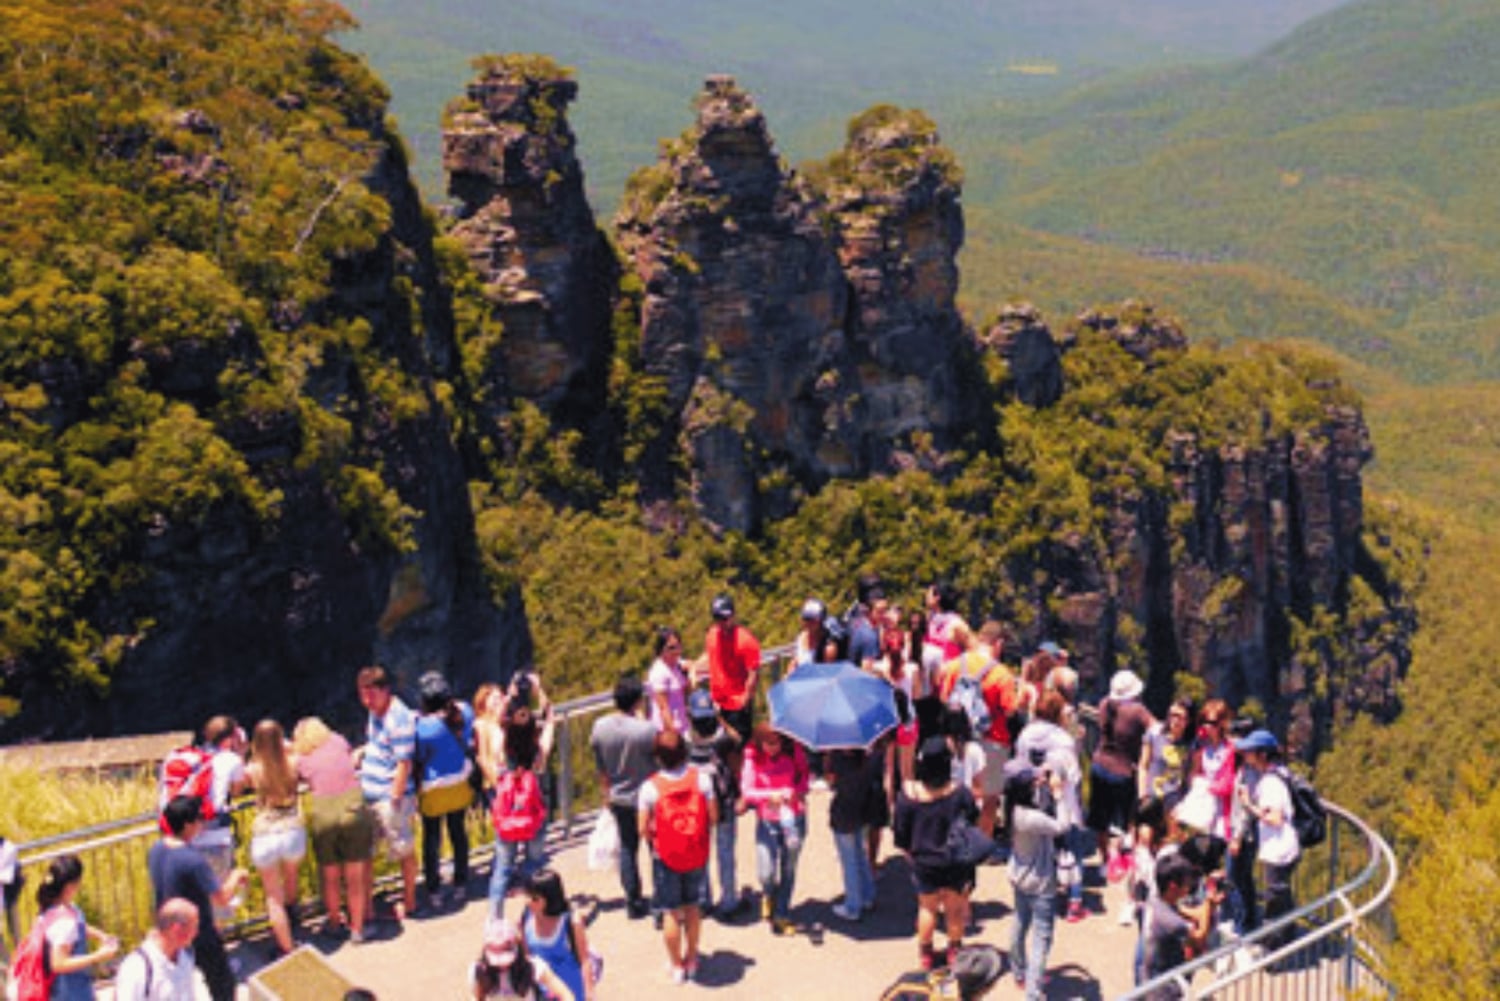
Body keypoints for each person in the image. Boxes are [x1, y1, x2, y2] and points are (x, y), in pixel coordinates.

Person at [148, 796, 248, 1001]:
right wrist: (236, 876)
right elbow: (221, 898)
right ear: (187, 825)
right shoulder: (192, 860)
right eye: (199, 818)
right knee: (222, 983)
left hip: (168, 931)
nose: (202, 823)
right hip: (197, 932)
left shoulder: (156, 850)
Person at [893, 736, 979, 971]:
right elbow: (972, 821)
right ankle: (954, 951)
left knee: (927, 908)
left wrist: (910, 854)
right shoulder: (960, 793)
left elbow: (901, 834)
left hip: (924, 861)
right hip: (955, 860)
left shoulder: (909, 795)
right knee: (954, 909)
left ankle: (926, 954)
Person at [638, 729, 717, 984]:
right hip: (696, 852)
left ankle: (676, 965)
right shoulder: (701, 780)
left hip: (666, 856)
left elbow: (642, 829)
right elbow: (713, 817)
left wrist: (657, 837)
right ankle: (692, 959)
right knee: (693, 907)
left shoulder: (650, 788)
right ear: (685, 752)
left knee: (670, 912)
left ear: (657, 757)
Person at [292, 716, 373, 943]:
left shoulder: (301, 757)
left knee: (330, 877)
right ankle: (358, 929)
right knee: (355, 877)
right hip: (352, 806)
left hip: (324, 812)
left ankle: (335, 922)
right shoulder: (338, 741)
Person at [936, 621, 1016, 840]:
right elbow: (1010, 710)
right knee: (989, 799)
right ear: (998, 644)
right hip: (993, 740)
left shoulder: (955, 665)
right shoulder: (1001, 674)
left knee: (952, 791)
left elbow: (944, 698)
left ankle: (951, 839)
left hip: (958, 740)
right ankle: (981, 844)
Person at [589, 674, 658, 919]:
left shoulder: (600, 727)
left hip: (618, 797)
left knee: (628, 849)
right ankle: (661, 900)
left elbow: (601, 766)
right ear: (638, 701)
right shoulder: (646, 730)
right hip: (646, 798)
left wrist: (606, 792)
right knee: (656, 848)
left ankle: (633, 901)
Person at [1015, 691, 1087, 923]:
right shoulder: (1063, 739)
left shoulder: (1026, 734)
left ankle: (1041, 897)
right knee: (1072, 849)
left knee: (1041, 851)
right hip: (1062, 800)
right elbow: (1073, 775)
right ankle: (1074, 901)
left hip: (1034, 800)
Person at [355, 665, 419, 920]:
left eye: (372, 694)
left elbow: (404, 762)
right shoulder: (375, 713)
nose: (367, 701)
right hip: (370, 794)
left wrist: (395, 799)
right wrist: (362, 752)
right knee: (366, 852)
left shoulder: (399, 718)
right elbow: (379, 744)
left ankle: (410, 901)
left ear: (386, 690)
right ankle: (368, 908)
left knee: (403, 849)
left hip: (389, 797)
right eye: (363, 695)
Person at [1005, 763, 1074, 1000]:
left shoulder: (1012, 808)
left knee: (1019, 923)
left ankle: (1019, 972)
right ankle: (1033, 993)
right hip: (1040, 883)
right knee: (1041, 938)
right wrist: (1059, 795)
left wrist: (1042, 777)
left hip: (1019, 877)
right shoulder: (1031, 818)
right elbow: (1062, 826)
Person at [490, 679, 555, 910]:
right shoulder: (539, 754)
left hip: (508, 816)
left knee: (502, 867)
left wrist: (509, 696)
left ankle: (495, 917)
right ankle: (532, 913)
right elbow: (550, 718)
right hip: (533, 815)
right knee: (534, 863)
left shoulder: (502, 750)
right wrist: (539, 689)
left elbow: (496, 722)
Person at [740, 724, 809, 935]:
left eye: (776, 743)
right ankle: (769, 893)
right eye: (768, 744)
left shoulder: (794, 750)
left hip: (793, 818)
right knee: (766, 872)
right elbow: (747, 791)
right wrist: (769, 795)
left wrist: (796, 792)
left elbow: (805, 777)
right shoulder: (752, 756)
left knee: (789, 868)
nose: (773, 748)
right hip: (767, 820)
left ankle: (782, 913)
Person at [245, 719, 307, 956]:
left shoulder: (253, 770)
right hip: (292, 828)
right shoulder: (293, 762)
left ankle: (285, 945)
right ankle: (293, 920)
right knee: (291, 879)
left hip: (266, 831)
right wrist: (285, 745)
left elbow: (240, 785)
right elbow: (296, 750)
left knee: (273, 896)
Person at [1234, 729, 1300, 948]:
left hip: (1278, 849)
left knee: (1274, 897)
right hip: (1285, 846)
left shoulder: (1271, 782)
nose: (1246, 755)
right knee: (1281, 893)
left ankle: (1275, 943)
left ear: (1262, 754)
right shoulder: (1280, 773)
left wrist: (1248, 805)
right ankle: (1287, 933)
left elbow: (1275, 818)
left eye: (1250, 751)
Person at [414, 671, 475, 908]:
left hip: (435, 789)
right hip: (459, 783)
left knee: (432, 838)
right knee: (458, 833)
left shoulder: (423, 728)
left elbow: (420, 756)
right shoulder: (464, 712)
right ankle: (461, 883)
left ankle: (434, 889)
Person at [1088, 669, 1154, 882]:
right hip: (1123, 770)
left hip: (1099, 764)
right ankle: (1124, 860)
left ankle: (1105, 861)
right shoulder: (1137, 711)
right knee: (1125, 820)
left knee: (1101, 819)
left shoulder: (1105, 704)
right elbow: (1156, 729)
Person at [23, 855, 118, 1000]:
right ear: (70, 887)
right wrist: (98, 956)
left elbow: (78, 928)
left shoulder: (53, 908)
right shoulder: (64, 922)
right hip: (71, 993)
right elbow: (59, 963)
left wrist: (101, 935)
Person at [685, 687, 743, 918]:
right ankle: (729, 900)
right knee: (726, 852)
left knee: (700, 853)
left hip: (697, 803)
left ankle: (703, 900)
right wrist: (722, 719)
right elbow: (738, 742)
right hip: (724, 801)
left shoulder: (686, 740)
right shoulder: (723, 740)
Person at [1142, 854, 1223, 999]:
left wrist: (1209, 904)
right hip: (1165, 990)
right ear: (1173, 886)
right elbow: (1199, 937)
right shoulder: (1171, 922)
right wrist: (1209, 904)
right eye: (1186, 883)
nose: (1189, 886)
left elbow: (1195, 914)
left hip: (1152, 979)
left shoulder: (1158, 902)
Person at [193, 717, 248, 922]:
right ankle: (215, 941)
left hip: (190, 835)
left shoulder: (194, 756)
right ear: (230, 738)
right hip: (216, 836)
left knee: (197, 899)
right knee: (218, 900)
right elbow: (237, 790)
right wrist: (240, 753)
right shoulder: (230, 759)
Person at [703, 592, 760, 775]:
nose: (722, 622)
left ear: (733, 615)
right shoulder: (712, 635)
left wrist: (745, 699)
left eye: (725, 618)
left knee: (738, 750)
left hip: (737, 705)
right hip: (717, 703)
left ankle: (741, 783)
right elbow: (710, 656)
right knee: (719, 751)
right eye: (718, 618)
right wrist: (694, 667)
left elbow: (753, 673)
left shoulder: (745, 640)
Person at [518, 870, 595, 1001]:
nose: (528, 901)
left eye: (535, 898)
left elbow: (584, 959)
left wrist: (589, 992)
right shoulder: (526, 918)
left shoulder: (570, 921)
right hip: (541, 992)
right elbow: (526, 957)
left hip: (571, 991)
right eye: (526, 895)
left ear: (550, 898)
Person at [470, 916, 573, 1001]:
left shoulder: (533, 967)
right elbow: (477, 997)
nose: (502, 966)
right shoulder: (480, 971)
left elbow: (565, 994)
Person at [827, 746, 877, 921]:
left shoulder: (837, 758)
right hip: (861, 811)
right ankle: (868, 896)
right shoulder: (865, 757)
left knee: (849, 861)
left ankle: (853, 906)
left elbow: (831, 782)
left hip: (843, 814)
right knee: (860, 855)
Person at [113, 898, 199, 1001]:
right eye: (194, 927)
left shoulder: (185, 959)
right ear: (177, 929)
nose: (196, 933)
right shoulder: (137, 968)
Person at [1188, 700, 1236, 840]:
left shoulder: (1230, 748)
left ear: (1222, 723)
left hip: (1224, 809)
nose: (1207, 726)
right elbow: (1194, 776)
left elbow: (1228, 784)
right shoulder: (1202, 748)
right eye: (1204, 722)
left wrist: (1206, 786)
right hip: (1204, 806)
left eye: (1212, 723)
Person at [646, 627, 691, 734]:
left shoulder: (677, 664)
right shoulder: (659, 672)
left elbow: (691, 664)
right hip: (667, 730)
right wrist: (673, 734)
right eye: (671, 648)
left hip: (683, 725)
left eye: (678, 646)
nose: (677, 650)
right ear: (661, 649)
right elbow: (663, 708)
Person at [473, 683, 508, 811]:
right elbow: (482, 758)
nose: (498, 702)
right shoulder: (481, 724)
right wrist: (496, 783)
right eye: (494, 699)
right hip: (494, 779)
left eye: (500, 698)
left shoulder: (502, 725)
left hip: (508, 776)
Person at [792, 599, 828, 669]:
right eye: (806, 619)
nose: (808, 623)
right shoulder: (801, 637)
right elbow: (795, 662)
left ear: (821, 621)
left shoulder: (826, 644)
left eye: (813, 620)